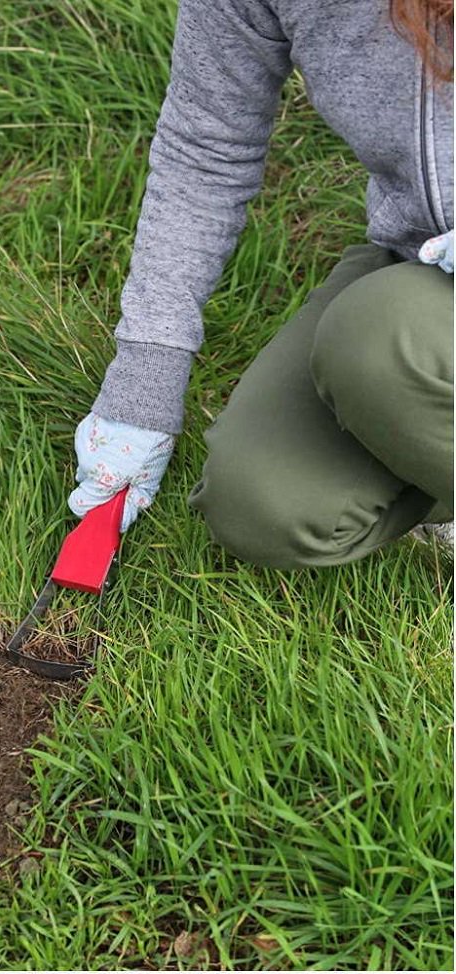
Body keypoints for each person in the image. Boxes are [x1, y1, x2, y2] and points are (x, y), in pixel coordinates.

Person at [69, 0, 454, 569]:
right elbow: (207, 150)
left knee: (378, 341)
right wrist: (141, 388)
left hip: (400, 315)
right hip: (422, 256)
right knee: (264, 504)